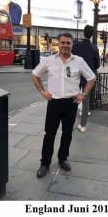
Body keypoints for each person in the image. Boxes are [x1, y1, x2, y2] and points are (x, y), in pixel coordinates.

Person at [31, 33, 96, 178]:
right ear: (58, 44)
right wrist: (42, 90)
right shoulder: (49, 60)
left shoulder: (79, 61)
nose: (65, 45)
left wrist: (83, 94)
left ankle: (62, 159)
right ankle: (45, 163)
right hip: (53, 102)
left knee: (67, 134)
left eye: (68, 43)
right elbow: (35, 74)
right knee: (49, 134)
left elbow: (91, 78)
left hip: (71, 102)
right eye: (63, 43)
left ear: (71, 45)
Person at [72, 25, 100, 133]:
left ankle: (69, 121)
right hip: (87, 78)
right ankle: (82, 125)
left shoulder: (75, 45)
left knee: (72, 99)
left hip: (75, 76)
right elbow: (97, 65)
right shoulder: (94, 47)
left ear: (83, 33)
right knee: (85, 102)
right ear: (92, 34)